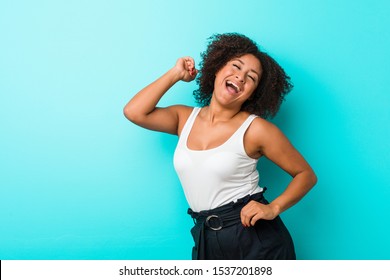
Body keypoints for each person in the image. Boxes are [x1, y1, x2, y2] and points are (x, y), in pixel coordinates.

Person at [124, 33, 317, 260]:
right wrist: (176, 74)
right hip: (206, 235)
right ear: (217, 68)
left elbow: (306, 175)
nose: (240, 77)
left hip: (254, 238)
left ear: (254, 92)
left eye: (251, 77)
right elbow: (134, 112)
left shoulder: (256, 130)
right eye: (235, 66)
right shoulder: (183, 117)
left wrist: (273, 208)